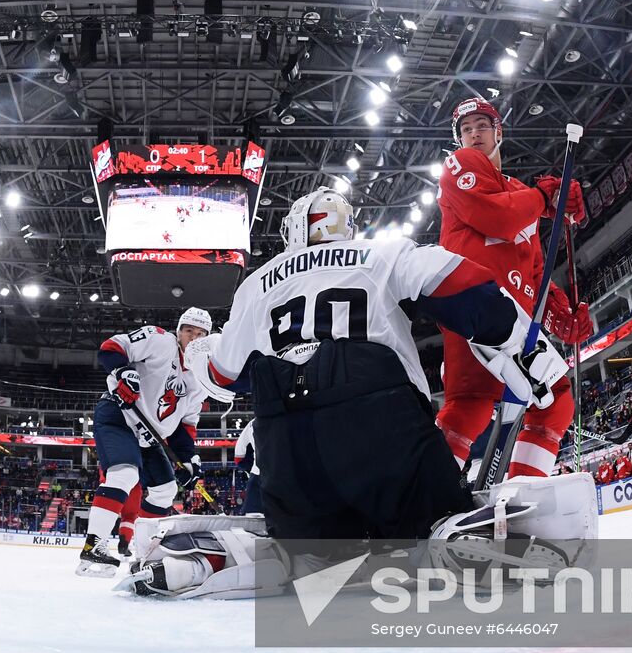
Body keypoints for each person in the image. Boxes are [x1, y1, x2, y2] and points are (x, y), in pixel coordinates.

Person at [147, 185, 593, 599]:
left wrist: (204, 352)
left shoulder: (255, 286)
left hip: (288, 452)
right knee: (428, 515)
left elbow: (226, 378)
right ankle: (445, 529)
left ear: (297, 228)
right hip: (379, 427)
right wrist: (523, 348)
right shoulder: (381, 254)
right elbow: (466, 288)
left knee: (303, 542)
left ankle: (246, 554)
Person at [435, 98, 592, 478]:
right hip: (479, 302)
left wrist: (560, 314)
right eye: (466, 128)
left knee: (467, 410)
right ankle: (523, 492)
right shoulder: (460, 165)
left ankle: (425, 500)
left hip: (503, 314)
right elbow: (495, 217)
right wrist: (545, 198)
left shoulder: (519, 192)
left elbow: (534, 269)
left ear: (499, 132)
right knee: (554, 401)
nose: (474, 133)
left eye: (482, 126)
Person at [76, 309, 210, 577]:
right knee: (124, 474)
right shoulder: (159, 340)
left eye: (199, 334)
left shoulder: (199, 378)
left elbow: (184, 427)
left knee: (165, 490)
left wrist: (189, 460)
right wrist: (123, 371)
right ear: (179, 331)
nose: (192, 338)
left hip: (150, 437)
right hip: (119, 416)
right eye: (188, 331)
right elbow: (111, 348)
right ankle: (93, 549)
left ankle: (144, 553)